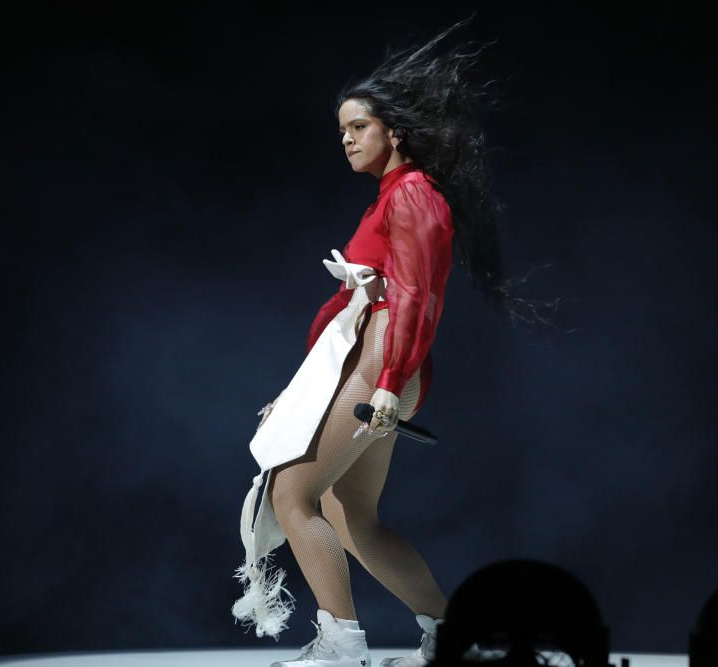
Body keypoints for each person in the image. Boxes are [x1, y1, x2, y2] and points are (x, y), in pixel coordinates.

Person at [230, 14, 556, 667]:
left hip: (382, 356)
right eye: (342, 130)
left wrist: (386, 382)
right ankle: (450, 634)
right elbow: (359, 306)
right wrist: (298, 394)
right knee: (350, 513)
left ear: (396, 132)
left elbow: (415, 298)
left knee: (293, 493)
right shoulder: (396, 196)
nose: (347, 140)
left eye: (359, 128)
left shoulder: (411, 197)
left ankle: (341, 641)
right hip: (370, 355)